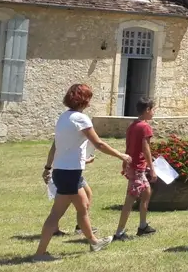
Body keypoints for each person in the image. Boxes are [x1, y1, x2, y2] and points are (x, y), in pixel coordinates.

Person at [34, 84, 132, 262]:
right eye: (89, 98)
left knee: (83, 206)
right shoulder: (81, 119)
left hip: (63, 171)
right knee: (59, 213)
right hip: (70, 173)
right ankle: (40, 254)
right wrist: (121, 156)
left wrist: (48, 168)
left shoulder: (63, 118)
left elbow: (56, 146)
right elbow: (99, 144)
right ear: (84, 100)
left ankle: (94, 242)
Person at [113, 97, 158, 241]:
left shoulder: (132, 125)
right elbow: (146, 149)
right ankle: (119, 233)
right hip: (138, 167)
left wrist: (124, 164)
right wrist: (152, 169)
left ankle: (143, 226)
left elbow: (128, 146)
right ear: (147, 110)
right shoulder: (145, 127)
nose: (154, 112)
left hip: (133, 166)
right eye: (153, 109)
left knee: (146, 192)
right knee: (130, 200)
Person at [52, 151, 96, 237]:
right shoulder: (69, 138)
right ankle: (83, 229)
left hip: (70, 171)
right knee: (65, 203)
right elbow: (69, 155)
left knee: (87, 194)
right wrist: (87, 161)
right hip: (68, 171)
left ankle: (80, 226)